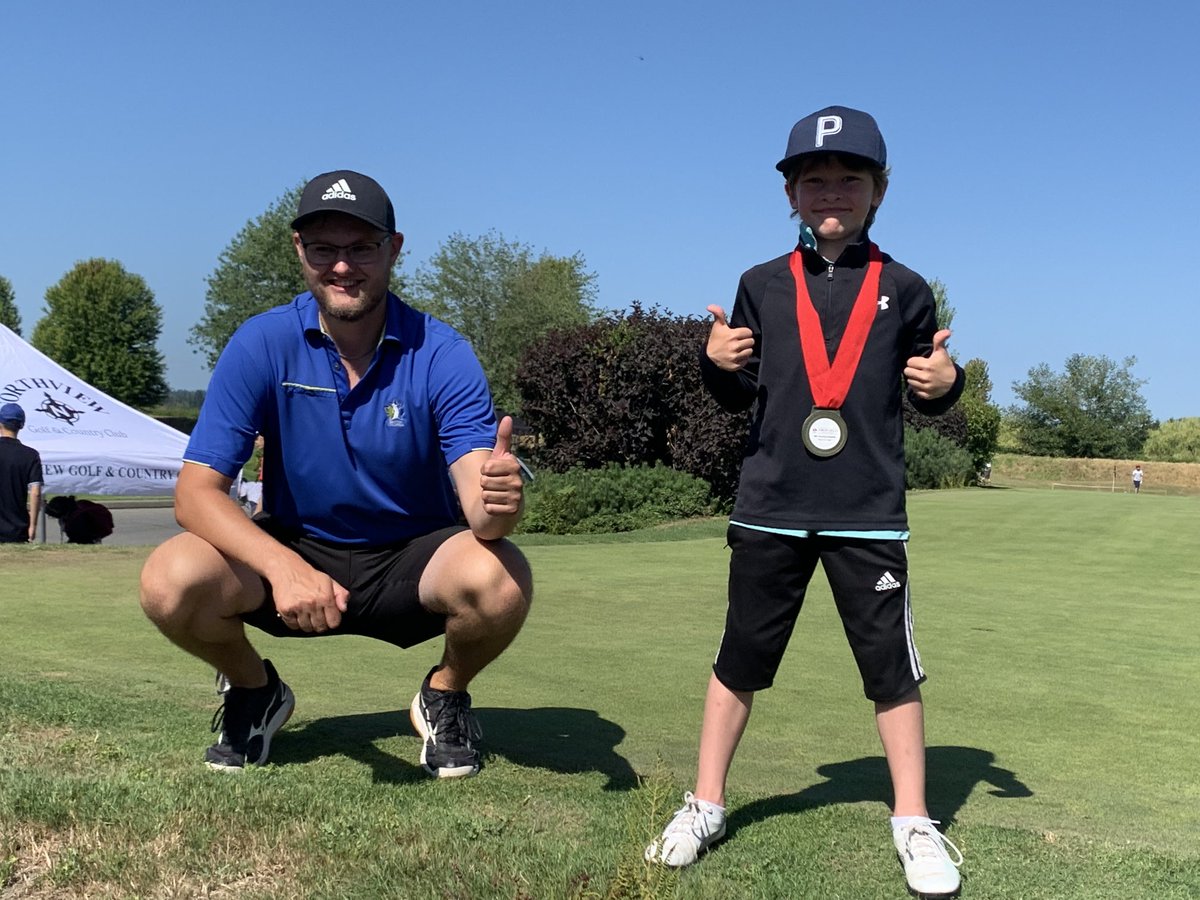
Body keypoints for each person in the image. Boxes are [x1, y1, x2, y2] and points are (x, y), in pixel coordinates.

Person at [644, 107, 966, 898]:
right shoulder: (759, 285)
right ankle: (706, 804)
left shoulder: (906, 288)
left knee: (892, 670)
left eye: (849, 179)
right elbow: (737, 390)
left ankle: (913, 820)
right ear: (790, 193)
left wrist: (948, 386)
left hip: (868, 510)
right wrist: (714, 360)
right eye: (814, 178)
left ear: (878, 191)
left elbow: (931, 387)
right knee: (739, 659)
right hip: (770, 504)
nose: (832, 191)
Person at [140, 170, 532, 779]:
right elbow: (195, 495)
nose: (342, 267)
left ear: (393, 251)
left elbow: (481, 509)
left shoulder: (442, 351)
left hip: (412, 558)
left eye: (361, 248)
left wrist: (501, 502)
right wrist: (284, 567)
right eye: (324, 248)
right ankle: (254, 690)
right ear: (300, 252)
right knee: (170, 578)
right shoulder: (261, 343)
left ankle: (445, 694)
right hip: (295, 548)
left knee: (503, 577)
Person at [0, 403, 43, 543]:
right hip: (17, 529)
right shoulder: (30, 455)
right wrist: (33, 526)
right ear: (22, 425)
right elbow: (35, 492)